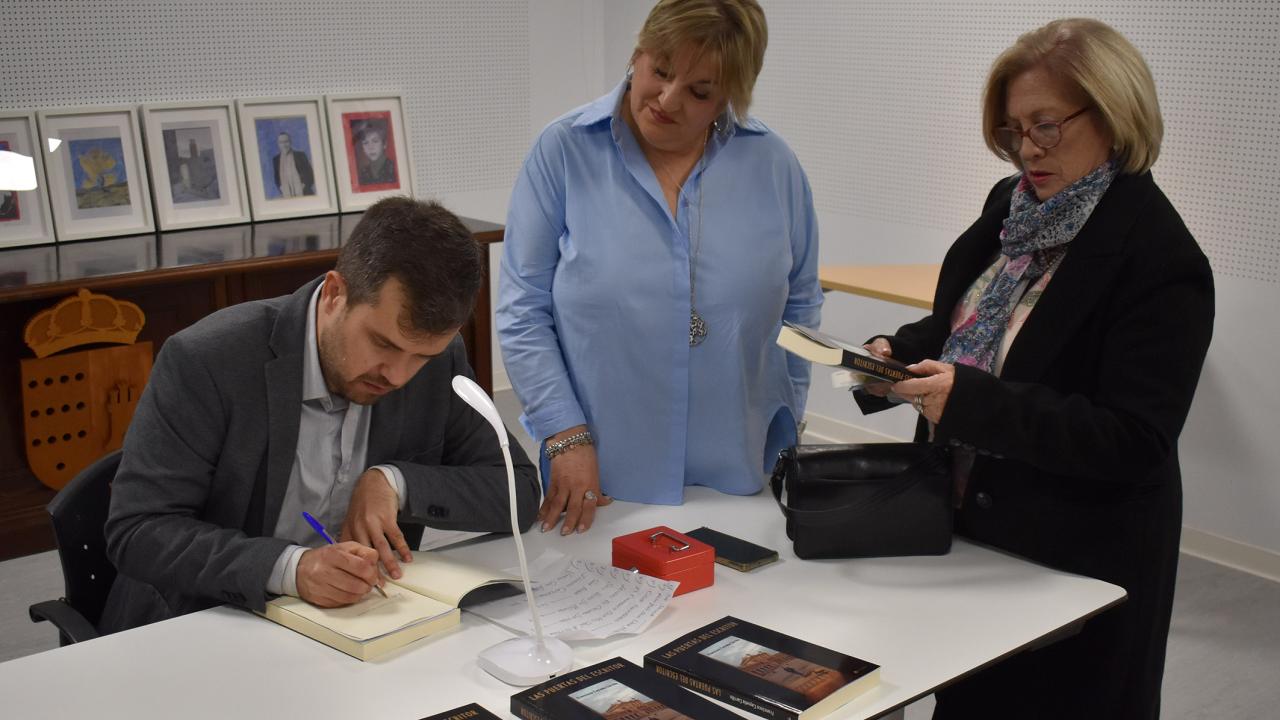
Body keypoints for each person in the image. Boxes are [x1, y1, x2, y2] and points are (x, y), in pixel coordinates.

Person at [854, 19, 1214, 719]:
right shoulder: (1013, 204)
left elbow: (1134, 439)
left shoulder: (1161, 259)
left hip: (1074, 562)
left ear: (1114, 114)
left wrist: (971, 403)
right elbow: (967, 324)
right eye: (1015, 130)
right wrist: (894, 353)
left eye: (1046, 126)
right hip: (973, 535)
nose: (1027, 149)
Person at [102, 197, 539, 633]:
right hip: (209, 619)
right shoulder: (208, 361)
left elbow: (518, 492)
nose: (398, 375)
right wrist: (291, 568)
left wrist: (395, 482)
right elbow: (138, 530)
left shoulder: (439, 362)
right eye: (382, 344)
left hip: (358, 623)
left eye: (421, 357)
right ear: (334, 294)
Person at [498, 0, 821, 534]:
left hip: (743, 475)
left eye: (700, 91)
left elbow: (802, 302)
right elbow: (521, 311)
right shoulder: (564, 151)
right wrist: (564, 434)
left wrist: (787, 418)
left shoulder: (774, 164)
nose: (668, 99)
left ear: (729, 96)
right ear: (637, 54)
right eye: (661, 71)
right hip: (598, 479)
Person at [272, 131, 315, 197]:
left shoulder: (300, 156)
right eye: (281, 142)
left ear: (290, 142)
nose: (284, 145)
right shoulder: (276, 159)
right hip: (287, 195)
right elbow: (276, 178)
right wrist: (281, 188)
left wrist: (303, 186)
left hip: (305, 194)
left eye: (286, 141)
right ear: (278, 144)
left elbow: (311, 175)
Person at [354, 121, 397, 186]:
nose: (370, 147)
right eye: (365, 143)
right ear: (363, 148)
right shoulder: (363, 173)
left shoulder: (395, 168)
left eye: (375, 141)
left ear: (384, 144)